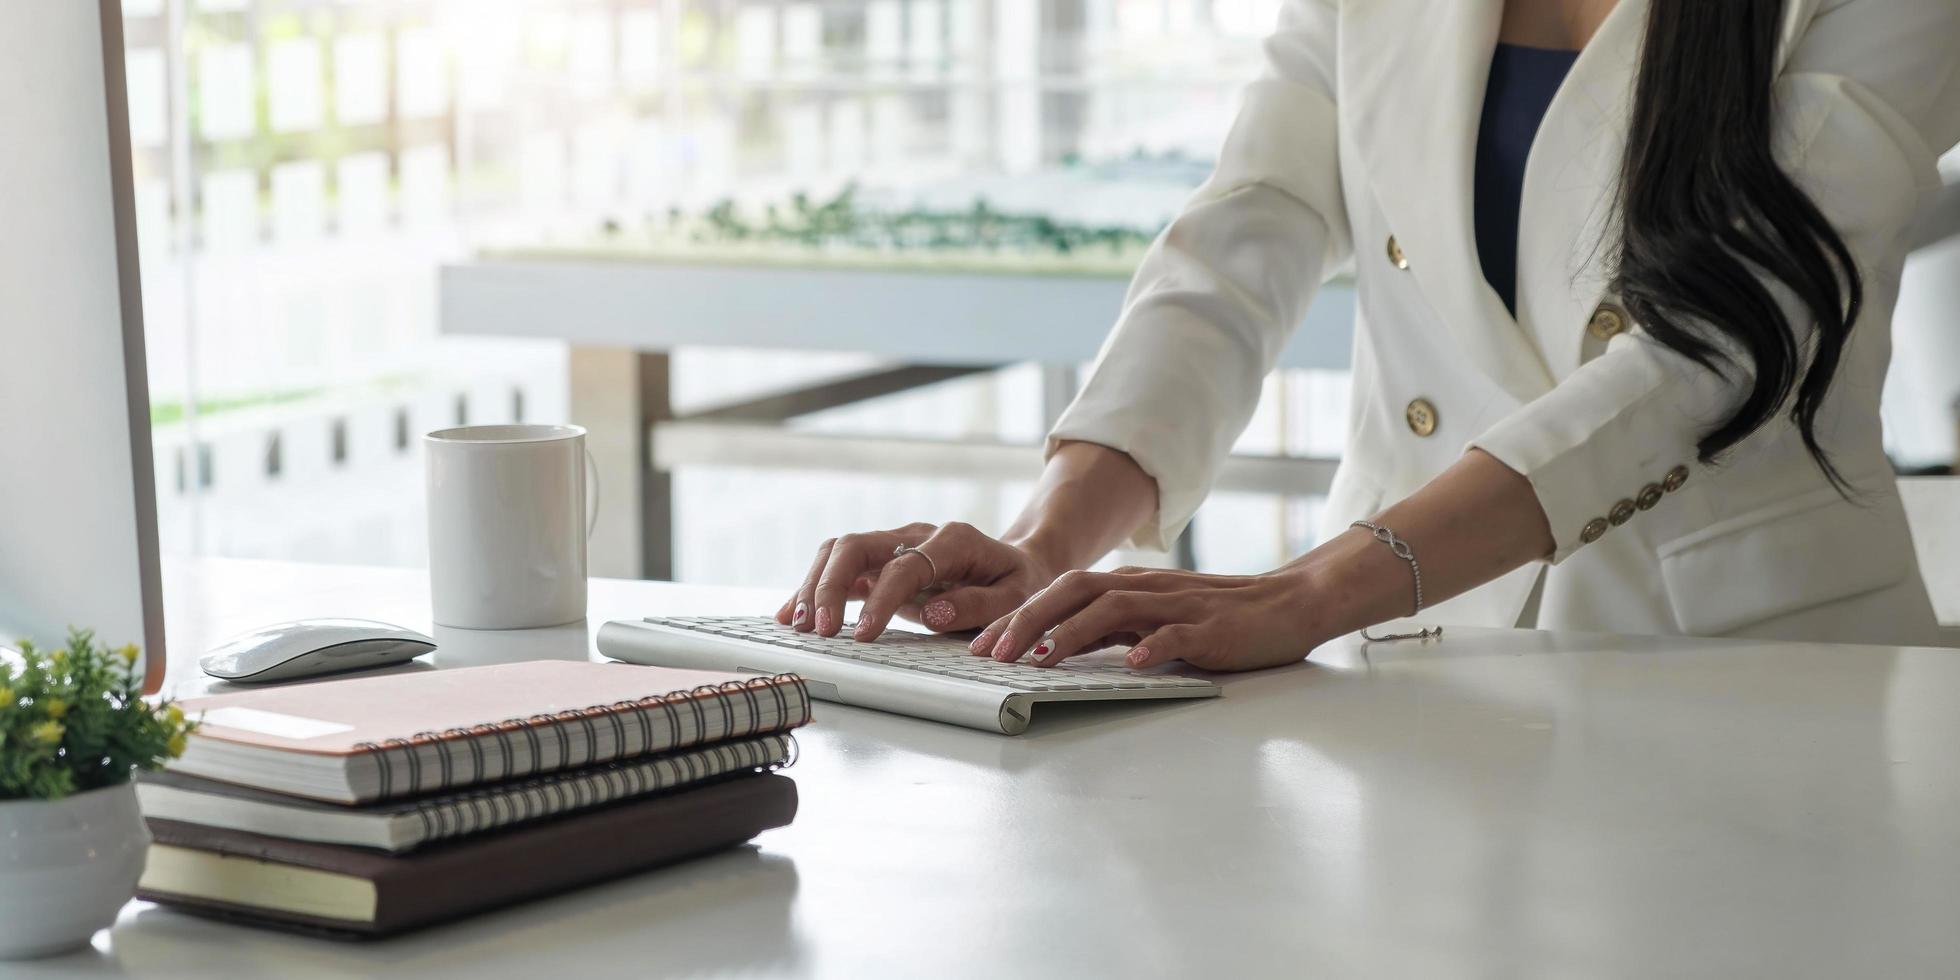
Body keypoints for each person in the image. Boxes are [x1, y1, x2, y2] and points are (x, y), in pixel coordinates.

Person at [777, 0, 1960, 670]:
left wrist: (1309, 586)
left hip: (1760, 684)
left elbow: (1714, 342)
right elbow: (1247, 231)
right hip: (1414, 665)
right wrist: (1049, 539)